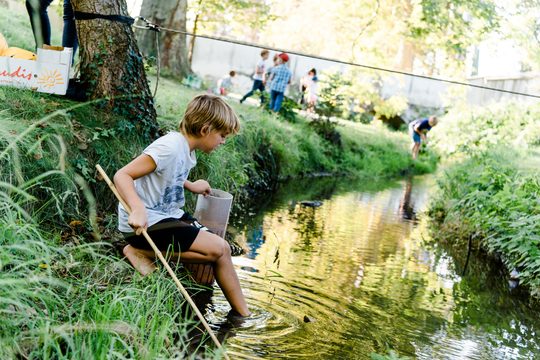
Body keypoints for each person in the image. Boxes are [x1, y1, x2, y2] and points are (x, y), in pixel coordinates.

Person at [114, 94, 250, 317]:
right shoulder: (169, 147)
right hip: (146, 223)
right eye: (222, 136)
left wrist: (191, 185)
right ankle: (243, 316)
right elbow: (123, 175)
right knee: (221, 249)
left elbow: (165, 174)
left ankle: (141, 252)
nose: (223, 142)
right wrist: (137, 209)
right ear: (206, 129)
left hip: (168, 215)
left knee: (218, 250)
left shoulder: (186, 149)